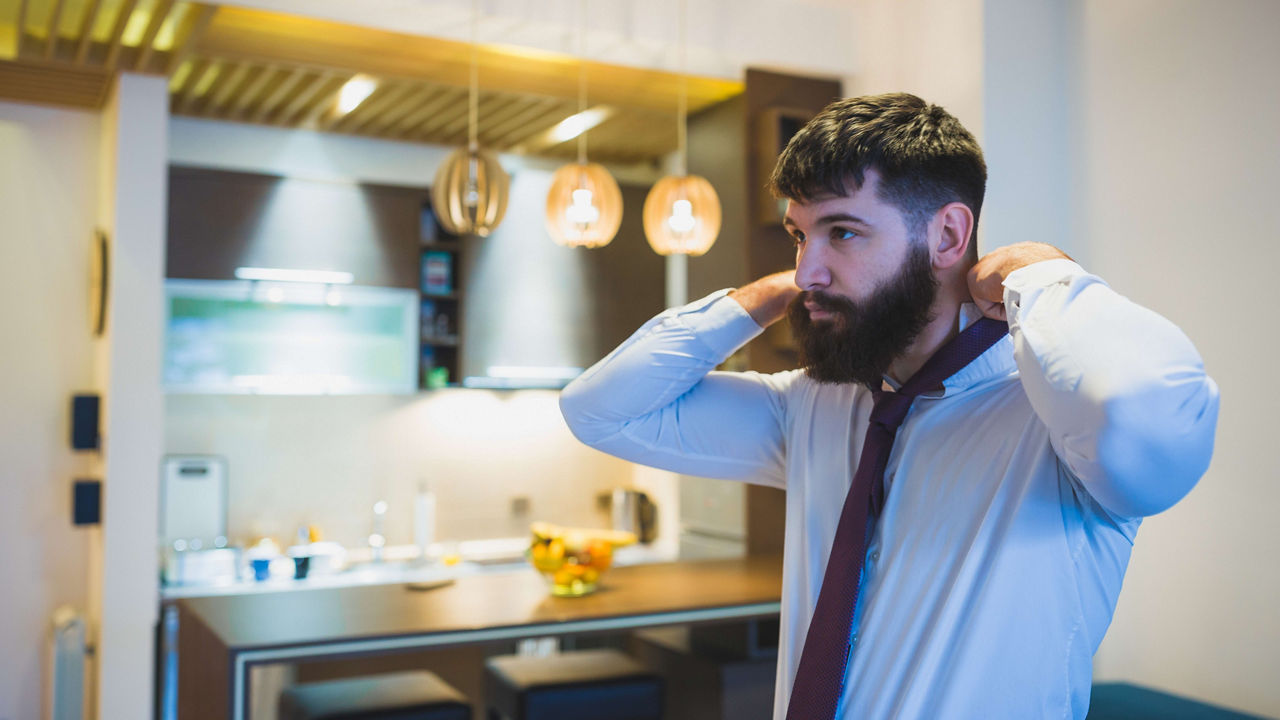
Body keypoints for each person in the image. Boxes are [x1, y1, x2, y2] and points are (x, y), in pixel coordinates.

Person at [558, 93, 1219, 720]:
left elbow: (1145, 417)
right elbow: (601, 410)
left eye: (842, 232)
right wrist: (760, 296)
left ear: (948, 235)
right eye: (799, 235)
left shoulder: (1054, 424)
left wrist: (1039, 273)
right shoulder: (814, 407)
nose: (809, 271)